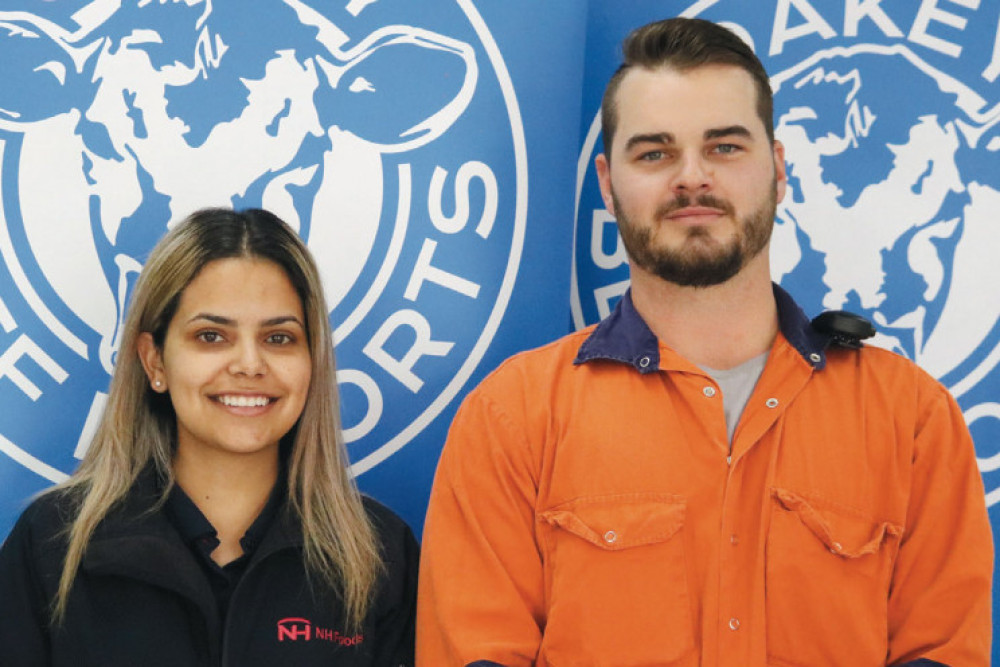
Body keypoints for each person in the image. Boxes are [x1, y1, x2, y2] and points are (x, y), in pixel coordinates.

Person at [416, 17, 992, 667]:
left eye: (724, 147)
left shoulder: (911, 420)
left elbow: (942, 652)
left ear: (776, 168)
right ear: (608, 183)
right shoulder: (511, 418)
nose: (692, 178)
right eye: (655, 152)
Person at [0, 208, 418, 666]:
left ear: (313, 360)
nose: (249, 364)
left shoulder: (381, 556)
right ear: (155, 361)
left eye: (279, 338)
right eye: (211, 336)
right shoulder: (51, 544)